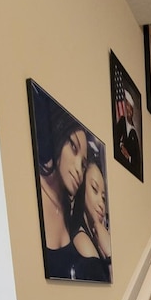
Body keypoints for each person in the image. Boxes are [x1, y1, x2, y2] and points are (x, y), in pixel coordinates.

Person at [35, 97, 90, 280]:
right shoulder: (36, 197)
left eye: (83, 164)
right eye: (73, 147)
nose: (78, 169)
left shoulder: (71, 213)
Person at [70, 154, 112, 283]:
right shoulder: (82, 240)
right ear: (82, 188)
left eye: (104, 198)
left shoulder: (93, 238)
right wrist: (110, 253)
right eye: (94, 189)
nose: (101, 203)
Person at [114, 89, 141, 178]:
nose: (129, 110)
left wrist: (129, 157)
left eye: (131, 107)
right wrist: (121, 146)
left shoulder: (134, 134)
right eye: (127, 106)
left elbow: (137, 161)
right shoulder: (121, 122)